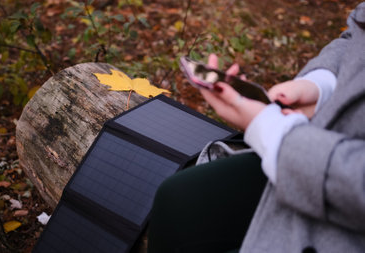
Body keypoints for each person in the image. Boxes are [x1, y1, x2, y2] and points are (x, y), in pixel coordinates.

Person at [147, 2, 365, 252]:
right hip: (316, 148)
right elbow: (355, 37)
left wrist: (276, 134)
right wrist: (321, 84)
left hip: (341, 190)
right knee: (177, 198)